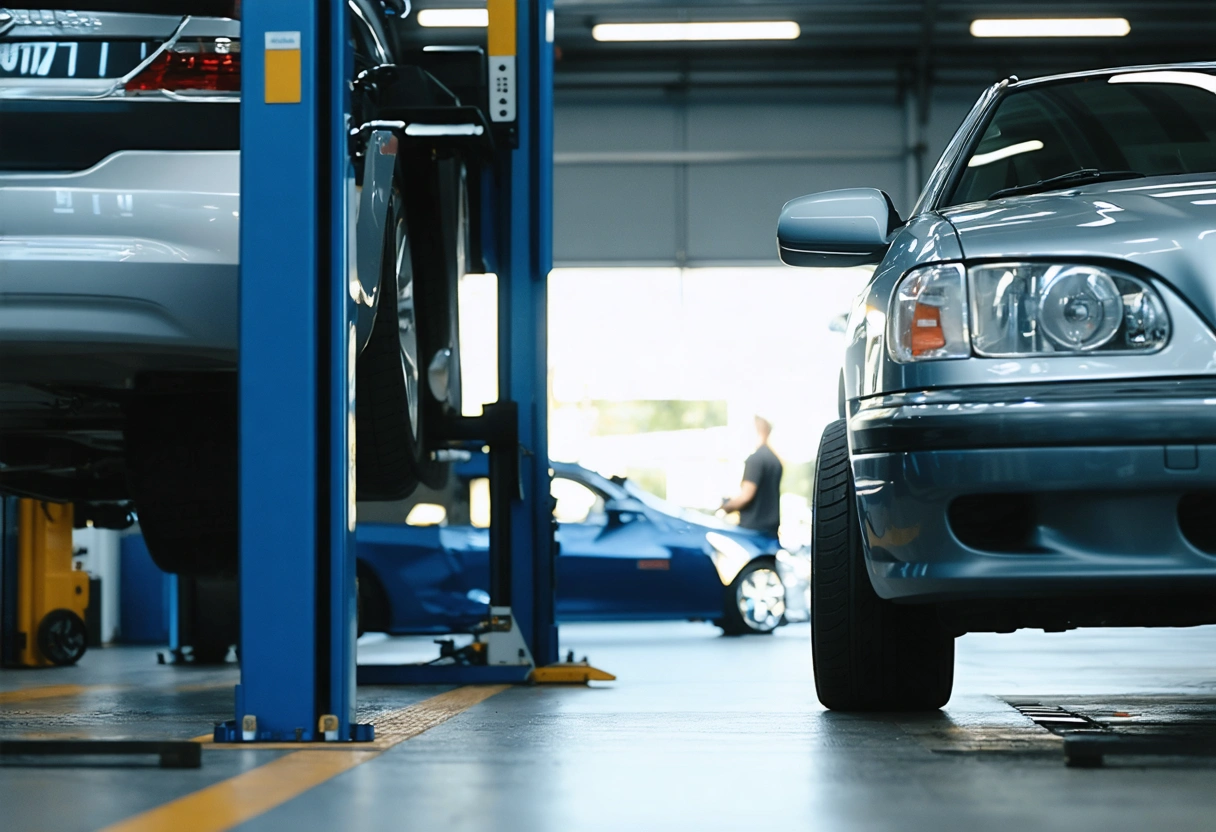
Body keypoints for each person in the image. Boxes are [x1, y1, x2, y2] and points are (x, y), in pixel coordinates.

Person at [721, 415, 783, 540]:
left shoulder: (755, 460)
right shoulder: (775, 461)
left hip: (753, 535)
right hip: (771, 534)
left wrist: (727, 506)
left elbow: (746, 497)